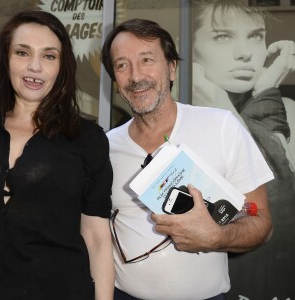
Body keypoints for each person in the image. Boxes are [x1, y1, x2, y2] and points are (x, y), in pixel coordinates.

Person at [101, 18, 274, 300]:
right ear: (116, 81)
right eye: (122, 65)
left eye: (147, 59)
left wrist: (216, 236)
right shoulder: (104, 147)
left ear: (171, 68)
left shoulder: (221, 127)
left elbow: (262, 223)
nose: (135, 76)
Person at [0, 10, 114, 300]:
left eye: (49, 56)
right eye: (23, 52)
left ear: (62, 66)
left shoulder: (87, 138)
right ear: (5, 59)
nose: (34, 67)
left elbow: (97, 239)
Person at [191, 1, 295, 298]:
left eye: (255, 36)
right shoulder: (180, 122)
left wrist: (224, 99)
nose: (245, 53)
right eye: (223, 36)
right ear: (191, 48)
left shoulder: (287, 110)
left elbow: (280, 202)